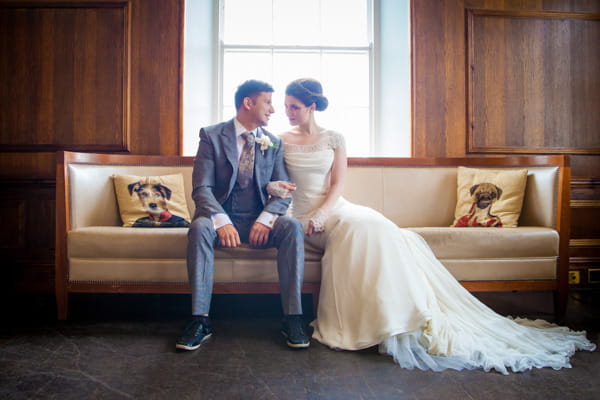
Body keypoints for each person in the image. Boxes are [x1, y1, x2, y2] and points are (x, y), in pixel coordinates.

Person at [270, 77, 596, 374]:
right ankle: (368, 323)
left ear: (311, 106)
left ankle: (402, 322)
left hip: (333, 209)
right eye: (285, 107)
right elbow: (267, 180)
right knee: (362, 233)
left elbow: (338, 184)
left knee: (377, 227)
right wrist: (276, 192)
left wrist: (324, 213)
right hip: (298, 216)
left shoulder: (334, 138)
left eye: (293, 107)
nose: (287, 112)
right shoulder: (278, 140)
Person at [176, 80, 310, 351]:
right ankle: (200, 321)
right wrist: (221, 221)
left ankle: (293, 318)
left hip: (258, 219)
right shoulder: (211, 136)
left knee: (292, 227)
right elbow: (201, 188)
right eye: (268, 102)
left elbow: (283, 190)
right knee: (200, 227)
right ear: (248, 103)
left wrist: (266, 219)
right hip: (221, 218)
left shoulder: (273, 142)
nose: (273, 110)